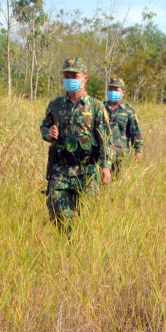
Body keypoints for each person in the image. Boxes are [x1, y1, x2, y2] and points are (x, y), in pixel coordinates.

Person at [40, 57, 113, 228]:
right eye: (67, 75)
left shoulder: (96, 107)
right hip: (61, 170)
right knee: (57, 213)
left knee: (87, 218)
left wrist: (106, 166)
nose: (70, 79)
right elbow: (44, 126)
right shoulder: (56, 105)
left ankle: (81, 249)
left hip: (86, 171)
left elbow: (106, 140)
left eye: (74, 76)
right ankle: (66, 246)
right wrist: (48, 133)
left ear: (85, 78)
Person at [103, 77, 143, 175]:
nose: (113, 92)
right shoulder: (100, 107)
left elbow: (135, 132)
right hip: (102, 154)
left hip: (120, 155)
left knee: (118, 183)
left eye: (116, 90)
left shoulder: (129, 111)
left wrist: (138, 151)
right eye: (111, 89)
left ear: (123, 93)